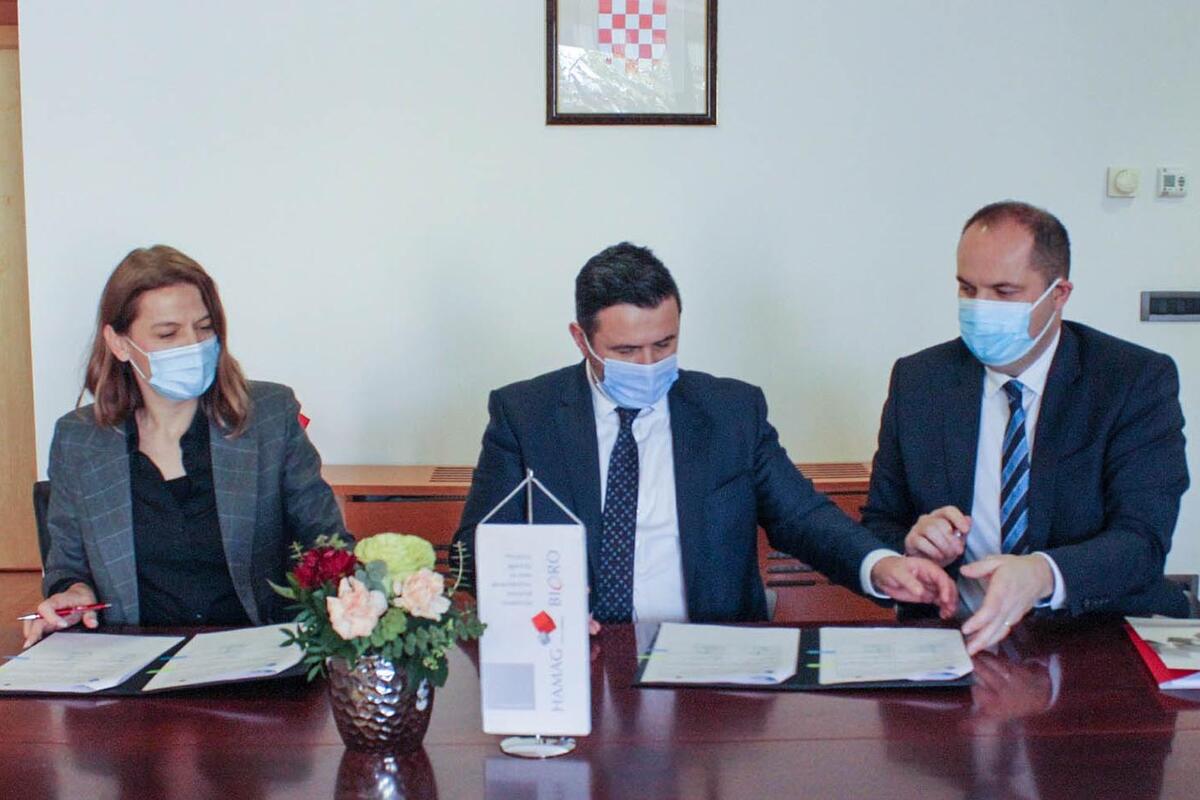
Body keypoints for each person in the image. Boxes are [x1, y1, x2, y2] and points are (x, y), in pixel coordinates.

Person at [452, 242, 955, 625]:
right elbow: (475, 550)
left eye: (664, 344)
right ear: (581, 339)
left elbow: (801, 517)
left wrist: (879, 565)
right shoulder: (526, 416)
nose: (648, 364)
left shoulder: (731, 412)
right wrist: (536, 612)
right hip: (576, 655)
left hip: (710, 659)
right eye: (626, 351)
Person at [861, 200, 1191, 655]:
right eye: (967, 288)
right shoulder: (920, 381)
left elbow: (1143, 541)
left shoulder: (1131, 381)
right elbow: (880, 522)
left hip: (1093, 638)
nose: (980, 308)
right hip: (957, 638)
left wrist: (1042, 573)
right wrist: (912, 547)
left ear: (1059, 294)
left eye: (1004, 291)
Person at [24, 245, 347, 647]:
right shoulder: (79, 440)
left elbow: (327, 543)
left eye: (204, 327)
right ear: (119, 343)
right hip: (134, 659)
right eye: (168, 333)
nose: (193, 344)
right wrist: (73, 594)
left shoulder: (269, 415)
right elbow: (68, 566)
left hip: (259, 656)